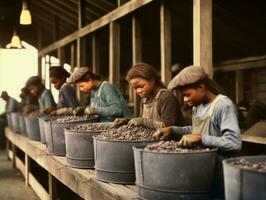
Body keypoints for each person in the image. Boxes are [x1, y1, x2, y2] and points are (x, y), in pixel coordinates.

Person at [153, 65, 242, 198]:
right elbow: (194, 131)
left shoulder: (223, 105)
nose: (185, 100)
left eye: (187, 95)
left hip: (221, 171)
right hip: (201, 168)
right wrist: (172, 130)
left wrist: (201, 138)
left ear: (201, 88)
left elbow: (234, 143)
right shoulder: (198, 106)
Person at [115, 63, 184, 129]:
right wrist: (127, 121)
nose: (139, 91)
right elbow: (141, 121)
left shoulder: (166, 96)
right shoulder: (144, 99)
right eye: (135, 88)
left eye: (141, 86)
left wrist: (144, 121)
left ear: (152, 80)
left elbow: (170, 127)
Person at [68, 67, 132, 122]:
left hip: (122, 125)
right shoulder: (93, 91)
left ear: (90, 80)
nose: (81, 89)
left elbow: (118, 110)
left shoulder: (106, 87)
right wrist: (84, 110)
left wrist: (95, 110)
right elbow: (97, 106)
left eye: (81, 86)